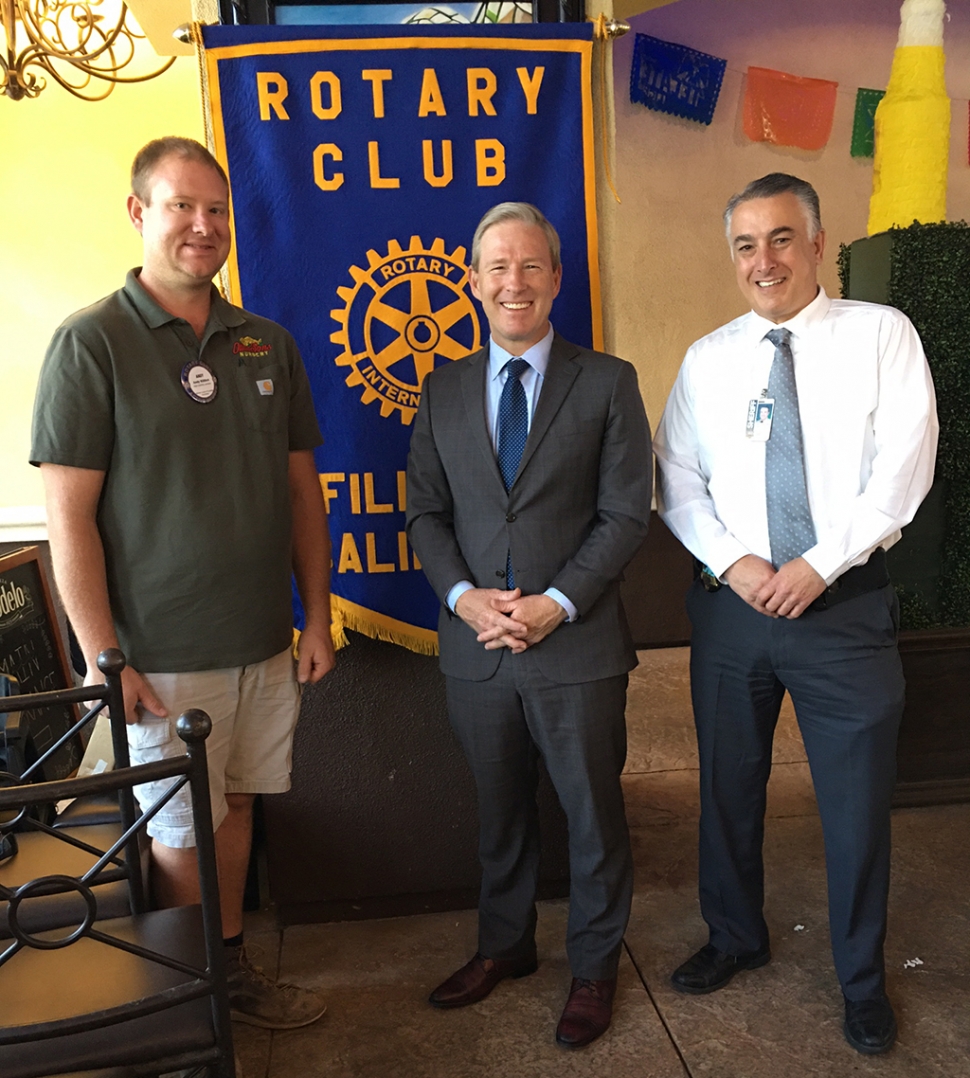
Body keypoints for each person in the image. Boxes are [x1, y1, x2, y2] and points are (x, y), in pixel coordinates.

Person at [31, 137, 336, 1031]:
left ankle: (227, 969)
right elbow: (68, 522)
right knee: (173, 834)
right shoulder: (92, 343)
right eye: (182, 207)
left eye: (219, 211)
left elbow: (300, 495)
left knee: (232, 807)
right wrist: (105, 655)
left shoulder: (265, 343)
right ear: (139, 212)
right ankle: (184, 995)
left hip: (259, 641)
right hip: (158, 657)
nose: (204, 227)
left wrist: (314, 618)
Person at [654, 173, 938, 1055]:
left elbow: (904, 467)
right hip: (735, 612)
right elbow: (676, 478)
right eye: (745, 244)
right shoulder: (708, 357)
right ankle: (735, 935)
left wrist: (815, 566)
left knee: (854, 805)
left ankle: (861, 979)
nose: (763, 260)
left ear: (818, 243)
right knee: (728, 791)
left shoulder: (882, 336)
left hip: (842, 611)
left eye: (781, 239)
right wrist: (737, 563)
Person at [406, 202, 652, 1048]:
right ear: (474, 284)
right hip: (478, 649)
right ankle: (505, 947)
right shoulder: (439, 390)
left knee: (592, 817)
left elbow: (625, 514)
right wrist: (464, 597)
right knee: (499, 814)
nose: (515, 283)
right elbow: (425, 517)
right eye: (497, 268)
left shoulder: (608, 381)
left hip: (576, 644)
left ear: (557, 277)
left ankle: (593, 968)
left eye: (531, 266)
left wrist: (557, 603)